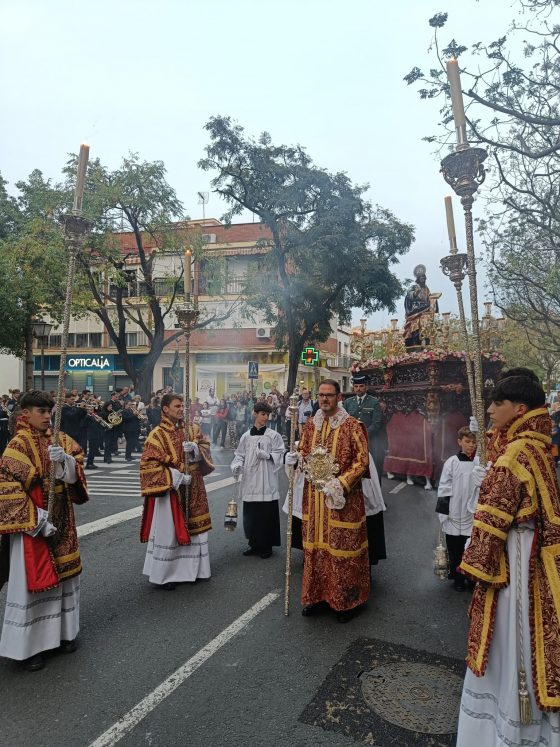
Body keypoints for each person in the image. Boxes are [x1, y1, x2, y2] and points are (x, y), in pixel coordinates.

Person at [456, 374, 560, 745]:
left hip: (516, 564)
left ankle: (506, 730)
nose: (489, 410)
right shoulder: (539, 447)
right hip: (541, 563)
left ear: (518, 409)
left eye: (496, 404)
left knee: (509, 646)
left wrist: (474, 567)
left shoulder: (515, 453)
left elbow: (491, 520)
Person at [0, 390, 88, 671]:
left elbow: (78, 470)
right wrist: (36, 520)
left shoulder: (59, 439)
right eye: (42, 412)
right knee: (33, 585)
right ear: (25, 414)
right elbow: (7, 488)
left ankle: (64, 634)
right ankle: (30, 648)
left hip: (63, 521)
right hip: (34, 527)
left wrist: (66, 462)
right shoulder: (18, 444)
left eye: (49, 412)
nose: (48, 416)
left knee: (65, 580)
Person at [285, 379, 370, 623]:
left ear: (339, 397)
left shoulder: (353, 426)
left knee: (341, 549)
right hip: (314, 500)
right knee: (315, 547)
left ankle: (346, 600)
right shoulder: (311, 424)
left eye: (329, 395)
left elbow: (361, 461)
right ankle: (316, 596)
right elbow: (305, 453)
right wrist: (295, 458)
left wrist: (340, 484)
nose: (324, 400)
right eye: (321, 395)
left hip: (342, 501)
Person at [139, 393, 214, 590]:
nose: (182, 409)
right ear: (165, 408)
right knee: (170, 530)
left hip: (195, 486)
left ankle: (195, 570)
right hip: (171, 491)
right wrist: (175, 476)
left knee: (196, 529)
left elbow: (206, 448)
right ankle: (166, 575)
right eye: (177, 406)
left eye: (183, 406)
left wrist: (196, 450)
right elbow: (148, 465)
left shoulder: (192, 428)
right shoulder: (156, 435)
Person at [230, 402, 285, 559]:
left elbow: (280, 453)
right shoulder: (246, 436)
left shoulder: (273, 435)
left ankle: (267, 546)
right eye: (262, 414)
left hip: (266, 478)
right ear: (255, 413)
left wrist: (268, 456)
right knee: (252, 513)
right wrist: (237, 464)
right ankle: (253, 544)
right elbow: (239, 454)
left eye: (267, 415)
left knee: (266, 514)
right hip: (251, 478)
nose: (265, 417)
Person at [436, 426, 477, 592]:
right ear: (459, 441)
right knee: (455, 547)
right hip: (454, 510)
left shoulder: (478, 462)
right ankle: (458, 577)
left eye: (474, 442)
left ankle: (470, 576)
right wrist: (443, 511)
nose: (471, 445)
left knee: (471, 545)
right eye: (467, 441)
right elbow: (444, 487)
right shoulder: (452, 462)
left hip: (471, 512)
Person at [342, 374, 383, 481]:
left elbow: (376, 423)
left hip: (370, 442)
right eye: (356, 386)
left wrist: (362, 434)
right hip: (352, 442)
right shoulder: (348, 402)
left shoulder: (374, 402)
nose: (358, 389)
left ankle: (375, 494)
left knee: (372, 469)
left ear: (366, 387)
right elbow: (345, 422)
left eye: (361, 386)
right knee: (353, 468)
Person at [403, 264, 437, 348]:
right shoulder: (414, 287)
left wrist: (433, 298)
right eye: (422, 278)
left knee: (426, 328)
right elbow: (409, 295)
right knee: (415, 327)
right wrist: (415, 293)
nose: (424, 280)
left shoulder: (426, 288)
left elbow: (429, 297)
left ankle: (426, 342)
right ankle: (415, 343)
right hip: (415, 311)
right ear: (418, 279)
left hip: (425, 312)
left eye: (425, 278)